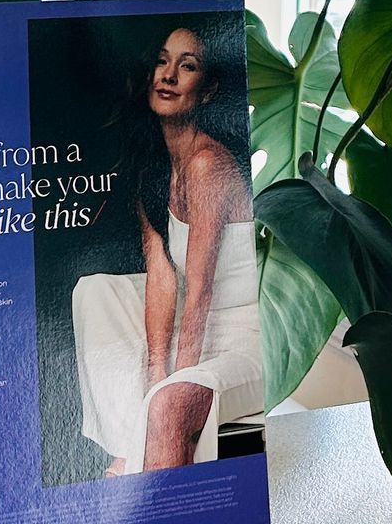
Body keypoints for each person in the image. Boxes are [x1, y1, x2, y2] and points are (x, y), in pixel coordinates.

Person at [71, 24, 263, 475]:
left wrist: (175, 379)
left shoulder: (207, 165)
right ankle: (132, 444)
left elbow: (199, 290)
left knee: (170, 402)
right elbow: (161, 272)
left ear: (207, 90)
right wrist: (157, 368)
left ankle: (129, 465)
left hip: (245, 335)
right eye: (163, 60)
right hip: (193, 321)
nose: (169, 75)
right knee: (94, 291)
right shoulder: (156, 166)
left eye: (187, 66)